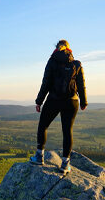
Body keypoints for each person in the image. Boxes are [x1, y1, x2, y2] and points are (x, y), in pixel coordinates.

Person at [30, 40, 87, 174]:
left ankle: (39, 156)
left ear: (57, 49)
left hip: (54, 99)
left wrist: (39, 101)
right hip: (72, 101)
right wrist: (84, 102)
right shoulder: (76, 64)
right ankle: (65, 164)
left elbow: (46, 83)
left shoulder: (52, 61)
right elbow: (81, 84)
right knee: (67, 131)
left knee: (43, 125)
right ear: (69, 49)